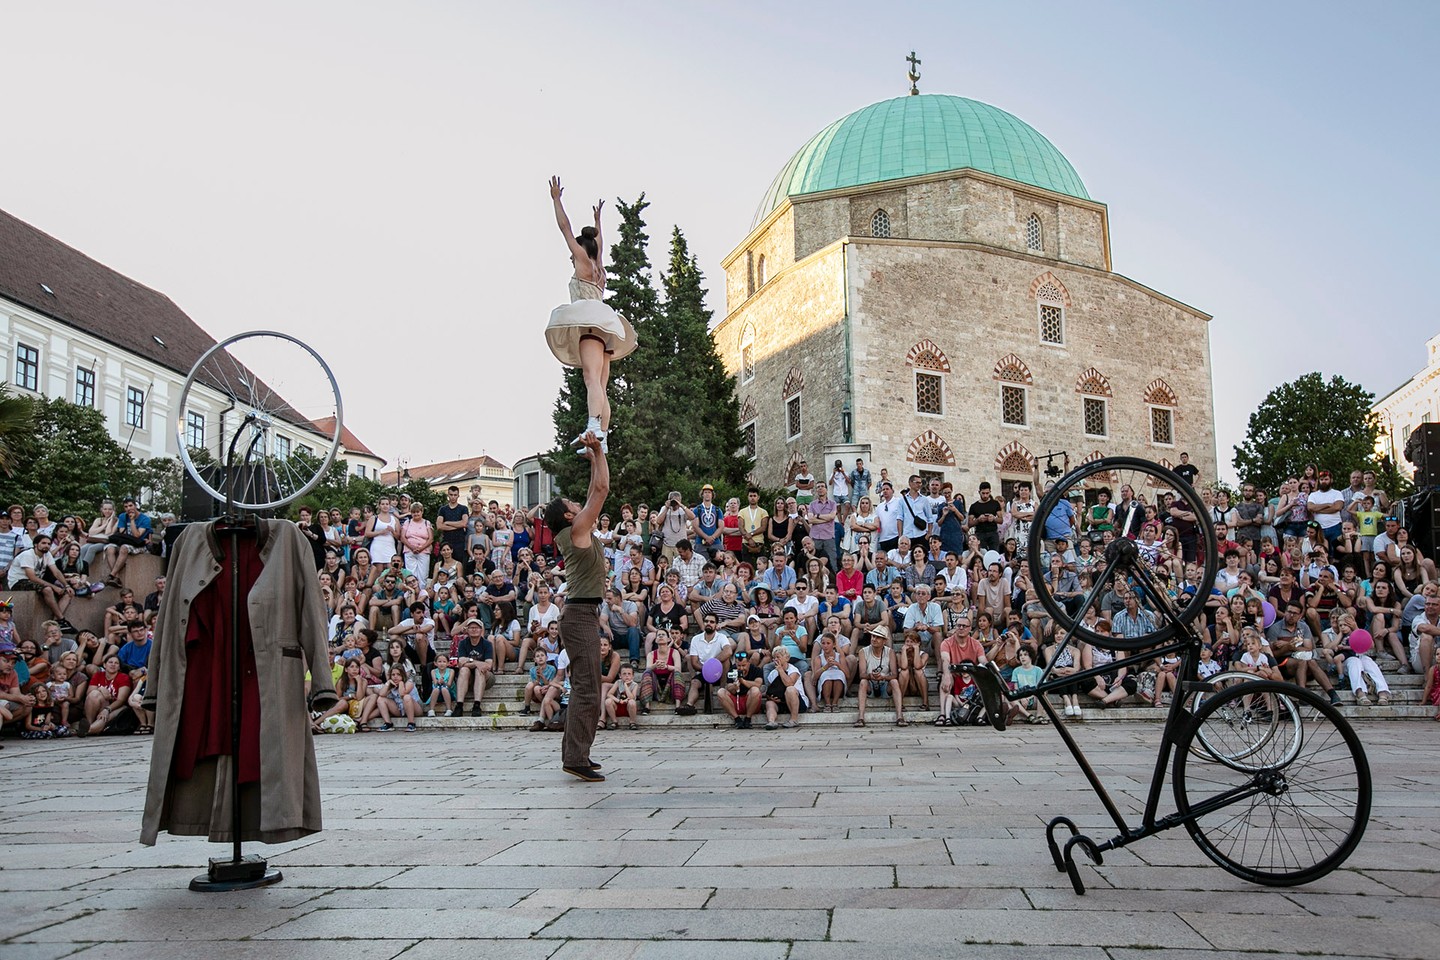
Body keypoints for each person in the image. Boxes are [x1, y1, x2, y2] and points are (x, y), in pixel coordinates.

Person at [546, 176, 638, 454]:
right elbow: (601, 245)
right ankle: (603, 436)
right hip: (606, 331)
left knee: (590, 379)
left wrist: (556, 200)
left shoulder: (584, 263)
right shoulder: (599, 269)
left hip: (591, 326)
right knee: (600, 384)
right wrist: (598, 223)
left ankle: (593, 427)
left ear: (580, 250)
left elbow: (565, 229)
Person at [542, 430, 610, 781]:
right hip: (580, 614)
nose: (575, 504)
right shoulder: (577, 530)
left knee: (587, 685)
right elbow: (601, 491)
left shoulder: (575, 528)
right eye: (570, 504)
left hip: (583, 613)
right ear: (569, 517)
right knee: (587, 687)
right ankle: (576, 758)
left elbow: (591, 492)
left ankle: (576, 753)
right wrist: (598, 449)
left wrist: (596, 458)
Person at [604, 662, 641, 730]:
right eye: (624, 674)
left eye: (629, 674)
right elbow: (609, 694)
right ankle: (614, 722)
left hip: (628, 708)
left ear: (633, 676)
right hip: (618, 705)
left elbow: (631, 697)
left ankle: (632, 722)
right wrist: (618, 701)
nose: (627, 676)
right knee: (608, 701)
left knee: (632, 702)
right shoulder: (618, 682)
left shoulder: (635, 685)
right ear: (620, 675)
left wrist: (625, 686)